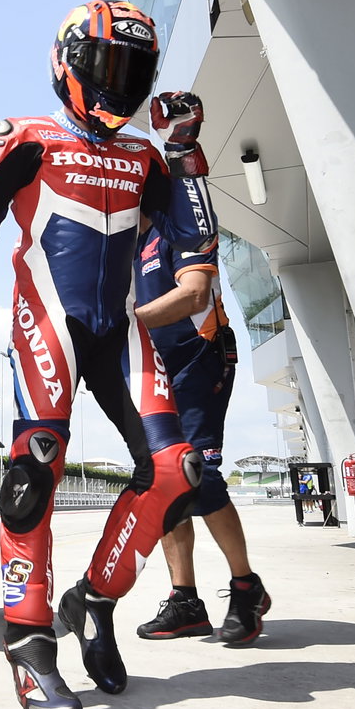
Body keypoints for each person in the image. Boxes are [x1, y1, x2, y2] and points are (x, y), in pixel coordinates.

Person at [0, 0, 216, 709]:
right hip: (46, 318)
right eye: (108, 65)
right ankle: (29, 639)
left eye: (134, 70)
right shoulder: (25, 135)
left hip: (121, 327)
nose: (120, 81)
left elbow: (196, 240)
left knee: (176, 469)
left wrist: (185, 152)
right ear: (68, 62)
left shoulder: (144, 153)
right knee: (32, 473)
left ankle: (94, 601)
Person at [131, 218, 272, 645]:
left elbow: (193, 295)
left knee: (201, 476)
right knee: (163, 477)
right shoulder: (123, 249)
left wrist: (124, 321)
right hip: (153, 370)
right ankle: (186, 602)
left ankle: (247, 586)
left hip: (199, 359)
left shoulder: (181, 231)